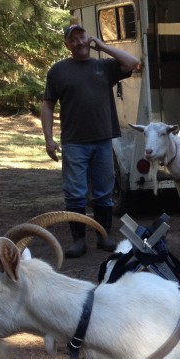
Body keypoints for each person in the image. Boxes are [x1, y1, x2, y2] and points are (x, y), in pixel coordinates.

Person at [41, 21, 141, 257]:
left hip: (103, 139)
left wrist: (103, 46)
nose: (79, 42)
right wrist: (48, 138)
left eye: (82, 37)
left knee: (104, 192)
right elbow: (47, 105)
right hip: (74, 141)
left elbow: (132, 64)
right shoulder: (58, 71)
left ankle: (104, 237)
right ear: (68, 45)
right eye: (73, 39)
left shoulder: (104, 66)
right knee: (75, 192)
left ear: (88, 38)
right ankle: (78, 241)